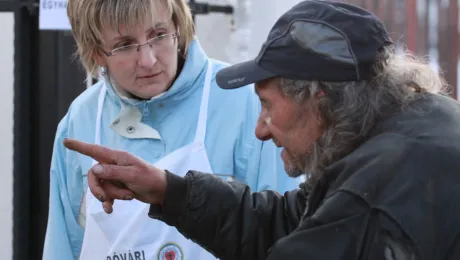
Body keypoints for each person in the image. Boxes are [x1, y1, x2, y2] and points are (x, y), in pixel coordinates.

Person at [63, 0, 460, 259]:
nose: (260, 130)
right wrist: (169, 190)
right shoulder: (405, 125)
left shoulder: (376, 197)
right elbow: (287, 221)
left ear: (318, 97)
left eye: (267, 105)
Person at [42, 0, 301, 259]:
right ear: (96, 51)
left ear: (178, 24)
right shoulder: (81, 120)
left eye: (159, 34)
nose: (148, 60)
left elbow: (286, 235)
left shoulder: (244, 102)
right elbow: (64, 245)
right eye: (124, 45)